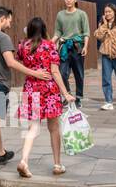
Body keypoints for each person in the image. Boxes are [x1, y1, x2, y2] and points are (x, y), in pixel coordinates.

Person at [0, 6, 51, 175]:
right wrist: (35, 73)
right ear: (3, 18)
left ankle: (2, 154)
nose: (9, 24)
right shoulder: (2, 38)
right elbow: (11, 62)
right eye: (9, 20)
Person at [16, 16, 77, 178]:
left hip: (30, 89)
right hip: (49, 90)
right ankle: (57, 164)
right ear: (44, 30)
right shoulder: (49, 46)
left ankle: (23, 160)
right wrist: (66, 93)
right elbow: (55, 72)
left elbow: (19, 60)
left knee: (33, 128)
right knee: (54, 128)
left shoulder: (22, 45)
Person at [52, 0, 89, 105]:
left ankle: (78, 98)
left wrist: (85, 47)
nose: (68, 0)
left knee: (79, 73)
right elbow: (58, 32)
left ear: (75, 0)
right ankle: (67, 94)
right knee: (62, 73)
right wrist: (51, 42)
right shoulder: (60, 14)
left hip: (78, 46)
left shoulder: (81, 14)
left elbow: (86, 32)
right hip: (64, 47)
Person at [94, 3, 116, 109]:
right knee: (106, 79)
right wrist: (104, 25)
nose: (107, 13)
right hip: (106, 55)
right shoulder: (102, 24)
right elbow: (98, 36)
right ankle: (108, 102)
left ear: (114, 12)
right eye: (105, 12)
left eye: (109, 11)